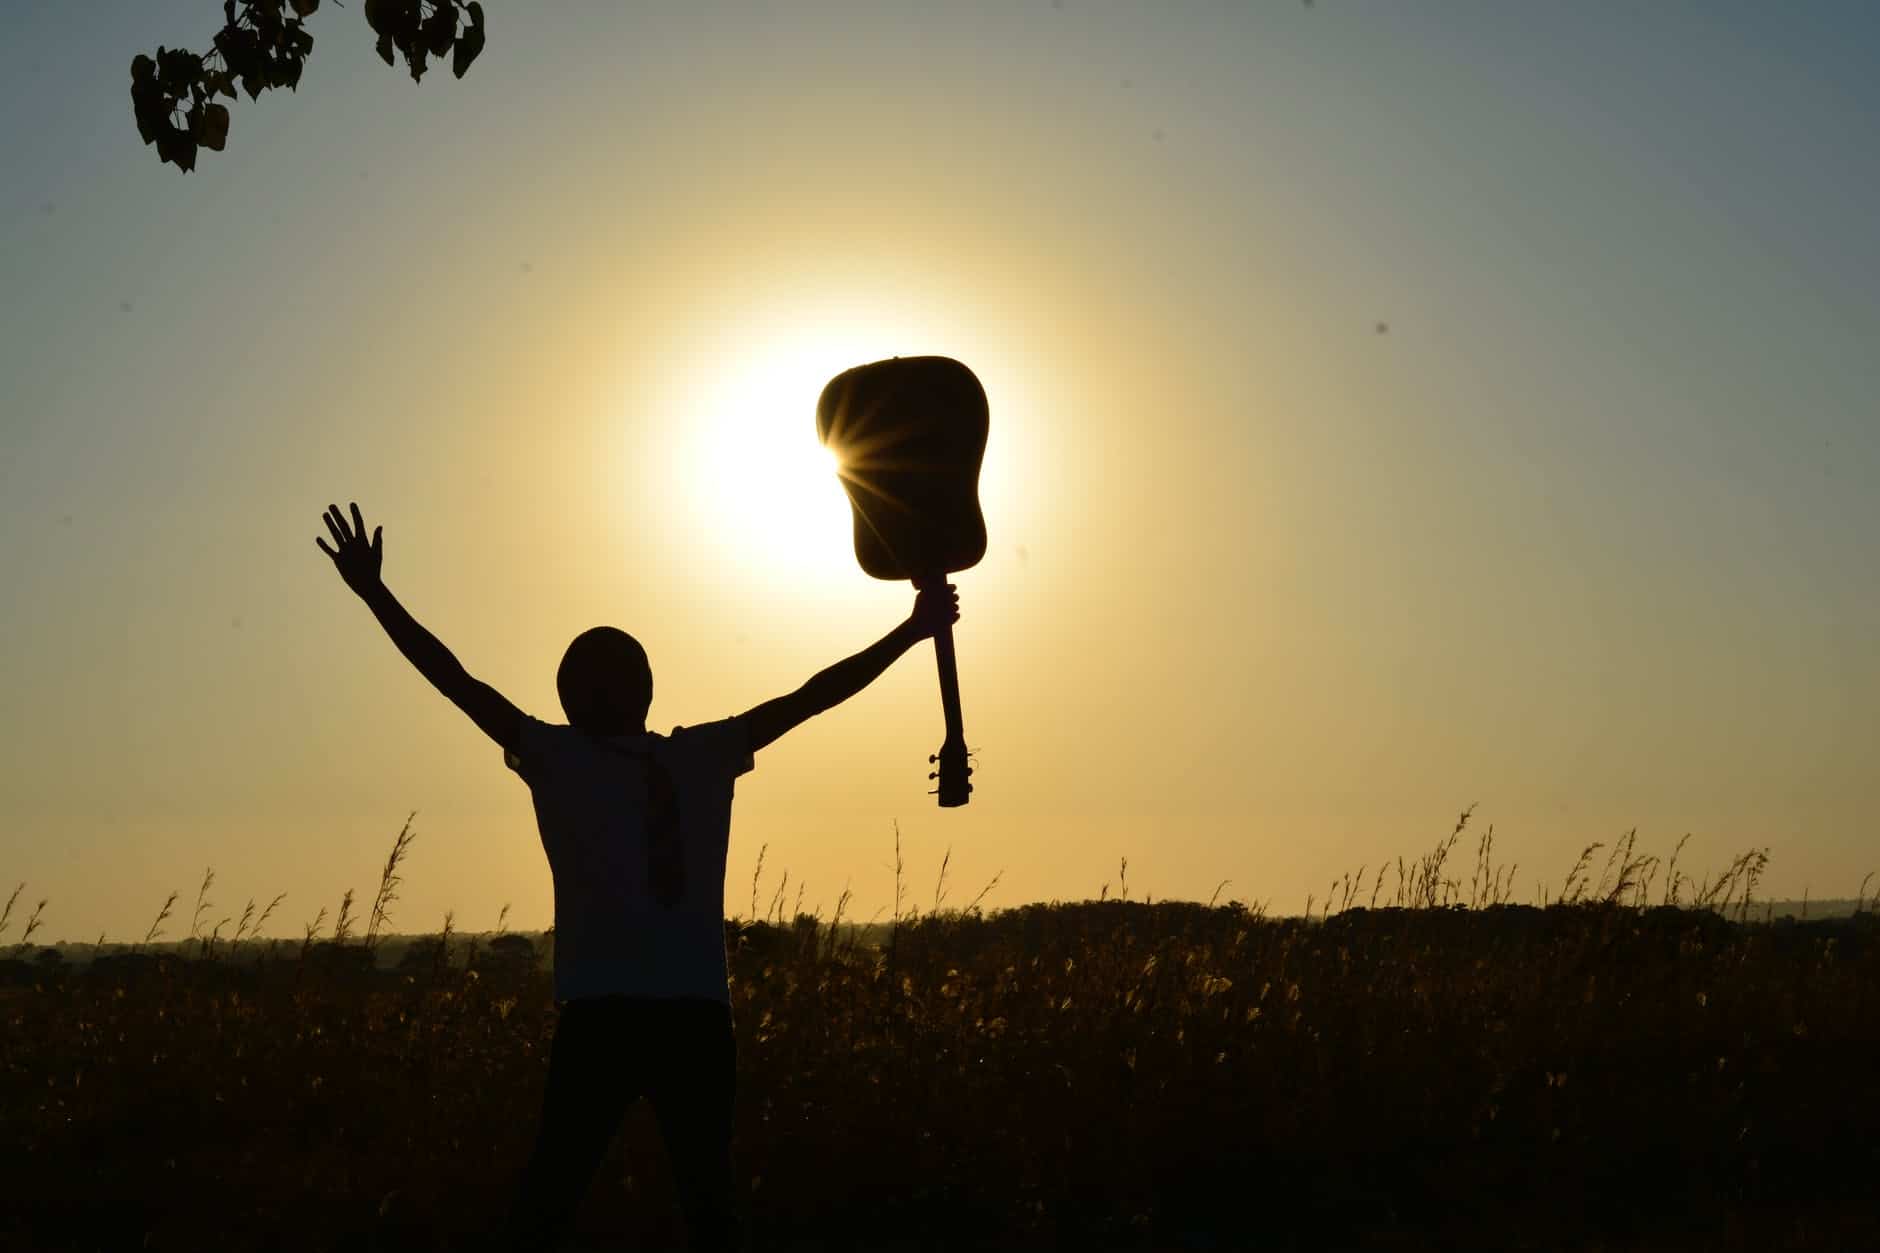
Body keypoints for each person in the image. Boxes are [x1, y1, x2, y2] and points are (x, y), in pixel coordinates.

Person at [314, 501, 958, 1250]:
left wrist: (910, 633)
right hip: (661, 1016)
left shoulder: (610, 757)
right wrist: (909, 632)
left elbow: (457, 682)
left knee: (601, 1204)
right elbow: (811, 695)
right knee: (654, 1204)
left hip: (636, 1018)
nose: (591, 689)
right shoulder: (650, 756)